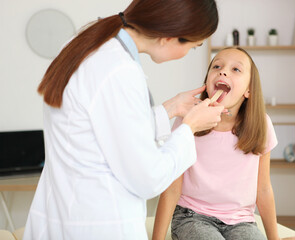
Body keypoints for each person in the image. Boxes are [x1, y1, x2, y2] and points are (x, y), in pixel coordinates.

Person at [23, 0, 224, 239]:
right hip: (98, 222)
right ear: (170, 36)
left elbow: (104, 127)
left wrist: (171, 108)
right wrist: (190, 127)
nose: (187, 54)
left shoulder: (88, 44)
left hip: (66, 212)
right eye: (192, 47)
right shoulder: (120, 71)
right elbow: (147, 178)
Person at [153, 47, 295, 240]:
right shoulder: (188, 121)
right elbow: (172, 188)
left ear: (249, 90)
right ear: (207, 83)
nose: (223, 71)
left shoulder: (261, 125)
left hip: (241, 221)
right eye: (217, 66)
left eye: (236, 69)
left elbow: (264, 189)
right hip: (191, 217)